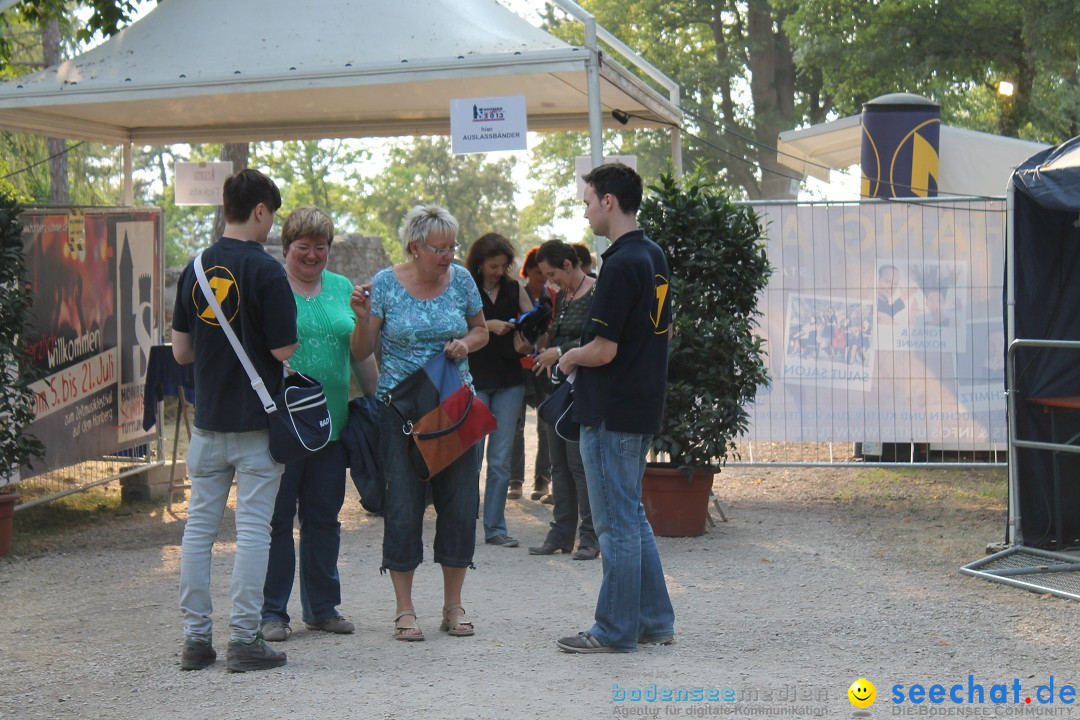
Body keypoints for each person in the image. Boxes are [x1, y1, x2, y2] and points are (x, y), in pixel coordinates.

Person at [172, 169, 296, 672]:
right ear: (261, 211)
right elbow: (283, 348)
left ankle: (195, 640)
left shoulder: (196, 266)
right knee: (252, 532)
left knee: (198, 531)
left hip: (209, 423)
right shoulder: (267, 272)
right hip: (258, 425)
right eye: (273, 215)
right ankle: (245, 640)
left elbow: (181, 352)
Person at [350, 204, 488, 641]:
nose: (449, 255)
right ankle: (404, 610)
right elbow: (360, 351)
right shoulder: (386, 284)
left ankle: (453, 605)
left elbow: (481, 330)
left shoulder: (462, 279)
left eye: (452, 247)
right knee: (404, 507)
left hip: (455, 406)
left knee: (461, 506)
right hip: (402, 412)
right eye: (440, 248)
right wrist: (359, 319)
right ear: (415, 247)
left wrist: (466, 344)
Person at [555, 162, 675, 653]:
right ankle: (653, 621)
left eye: (587, 202)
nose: (585, 213)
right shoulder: (653, 254)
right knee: (632, 517)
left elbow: (604, 351)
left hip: (610, 409)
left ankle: (613, 630)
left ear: (608, 201)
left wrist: (567, 357)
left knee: (615, 523)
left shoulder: (621, 262)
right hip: (639, 404)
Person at [259, 207, 375, 643]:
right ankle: (272, 613)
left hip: (332, 424)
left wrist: (363, 319)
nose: (312, 255)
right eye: (303, 246)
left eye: (320, 247)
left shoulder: (343, 287)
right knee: (276, 520)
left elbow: (360, 352)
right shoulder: (270, 288)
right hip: (285, 428)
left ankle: (322, 608)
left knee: (324, 519)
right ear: (286, 248)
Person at [528, 240, 599, 560]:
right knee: (558, 462)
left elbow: (598, 339)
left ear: (570, 264)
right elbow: (558, 336)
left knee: (578, 464)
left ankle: (589, 537)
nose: (550, 280)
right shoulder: (565, 297)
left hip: (584, 389)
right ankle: (561, 533)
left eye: (552, 273)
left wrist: (560, 351)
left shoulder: (596, 292)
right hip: (559, 388)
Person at [465, 233, 534, 548]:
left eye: (503, 265)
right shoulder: (465, 287)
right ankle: (463, 524)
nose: (498, 271)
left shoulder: (514, 288)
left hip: (509, 380)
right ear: (479, 263)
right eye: (493, 266)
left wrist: (527, 341)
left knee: (501, 458)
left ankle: (495, 527)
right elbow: (451, 327)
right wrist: (488, 326)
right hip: (474, 379)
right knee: (471, 456)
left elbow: (531, 323)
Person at [508, 246, 555, 503]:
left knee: (546, 427)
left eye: (545, 273)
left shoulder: (554, 298)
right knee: (515, 426)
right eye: (538, 273)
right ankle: (515, 480)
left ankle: (542, 479)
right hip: (519, 367)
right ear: (528, 271)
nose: (542, 278)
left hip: (543, 368)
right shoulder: (517, 294)